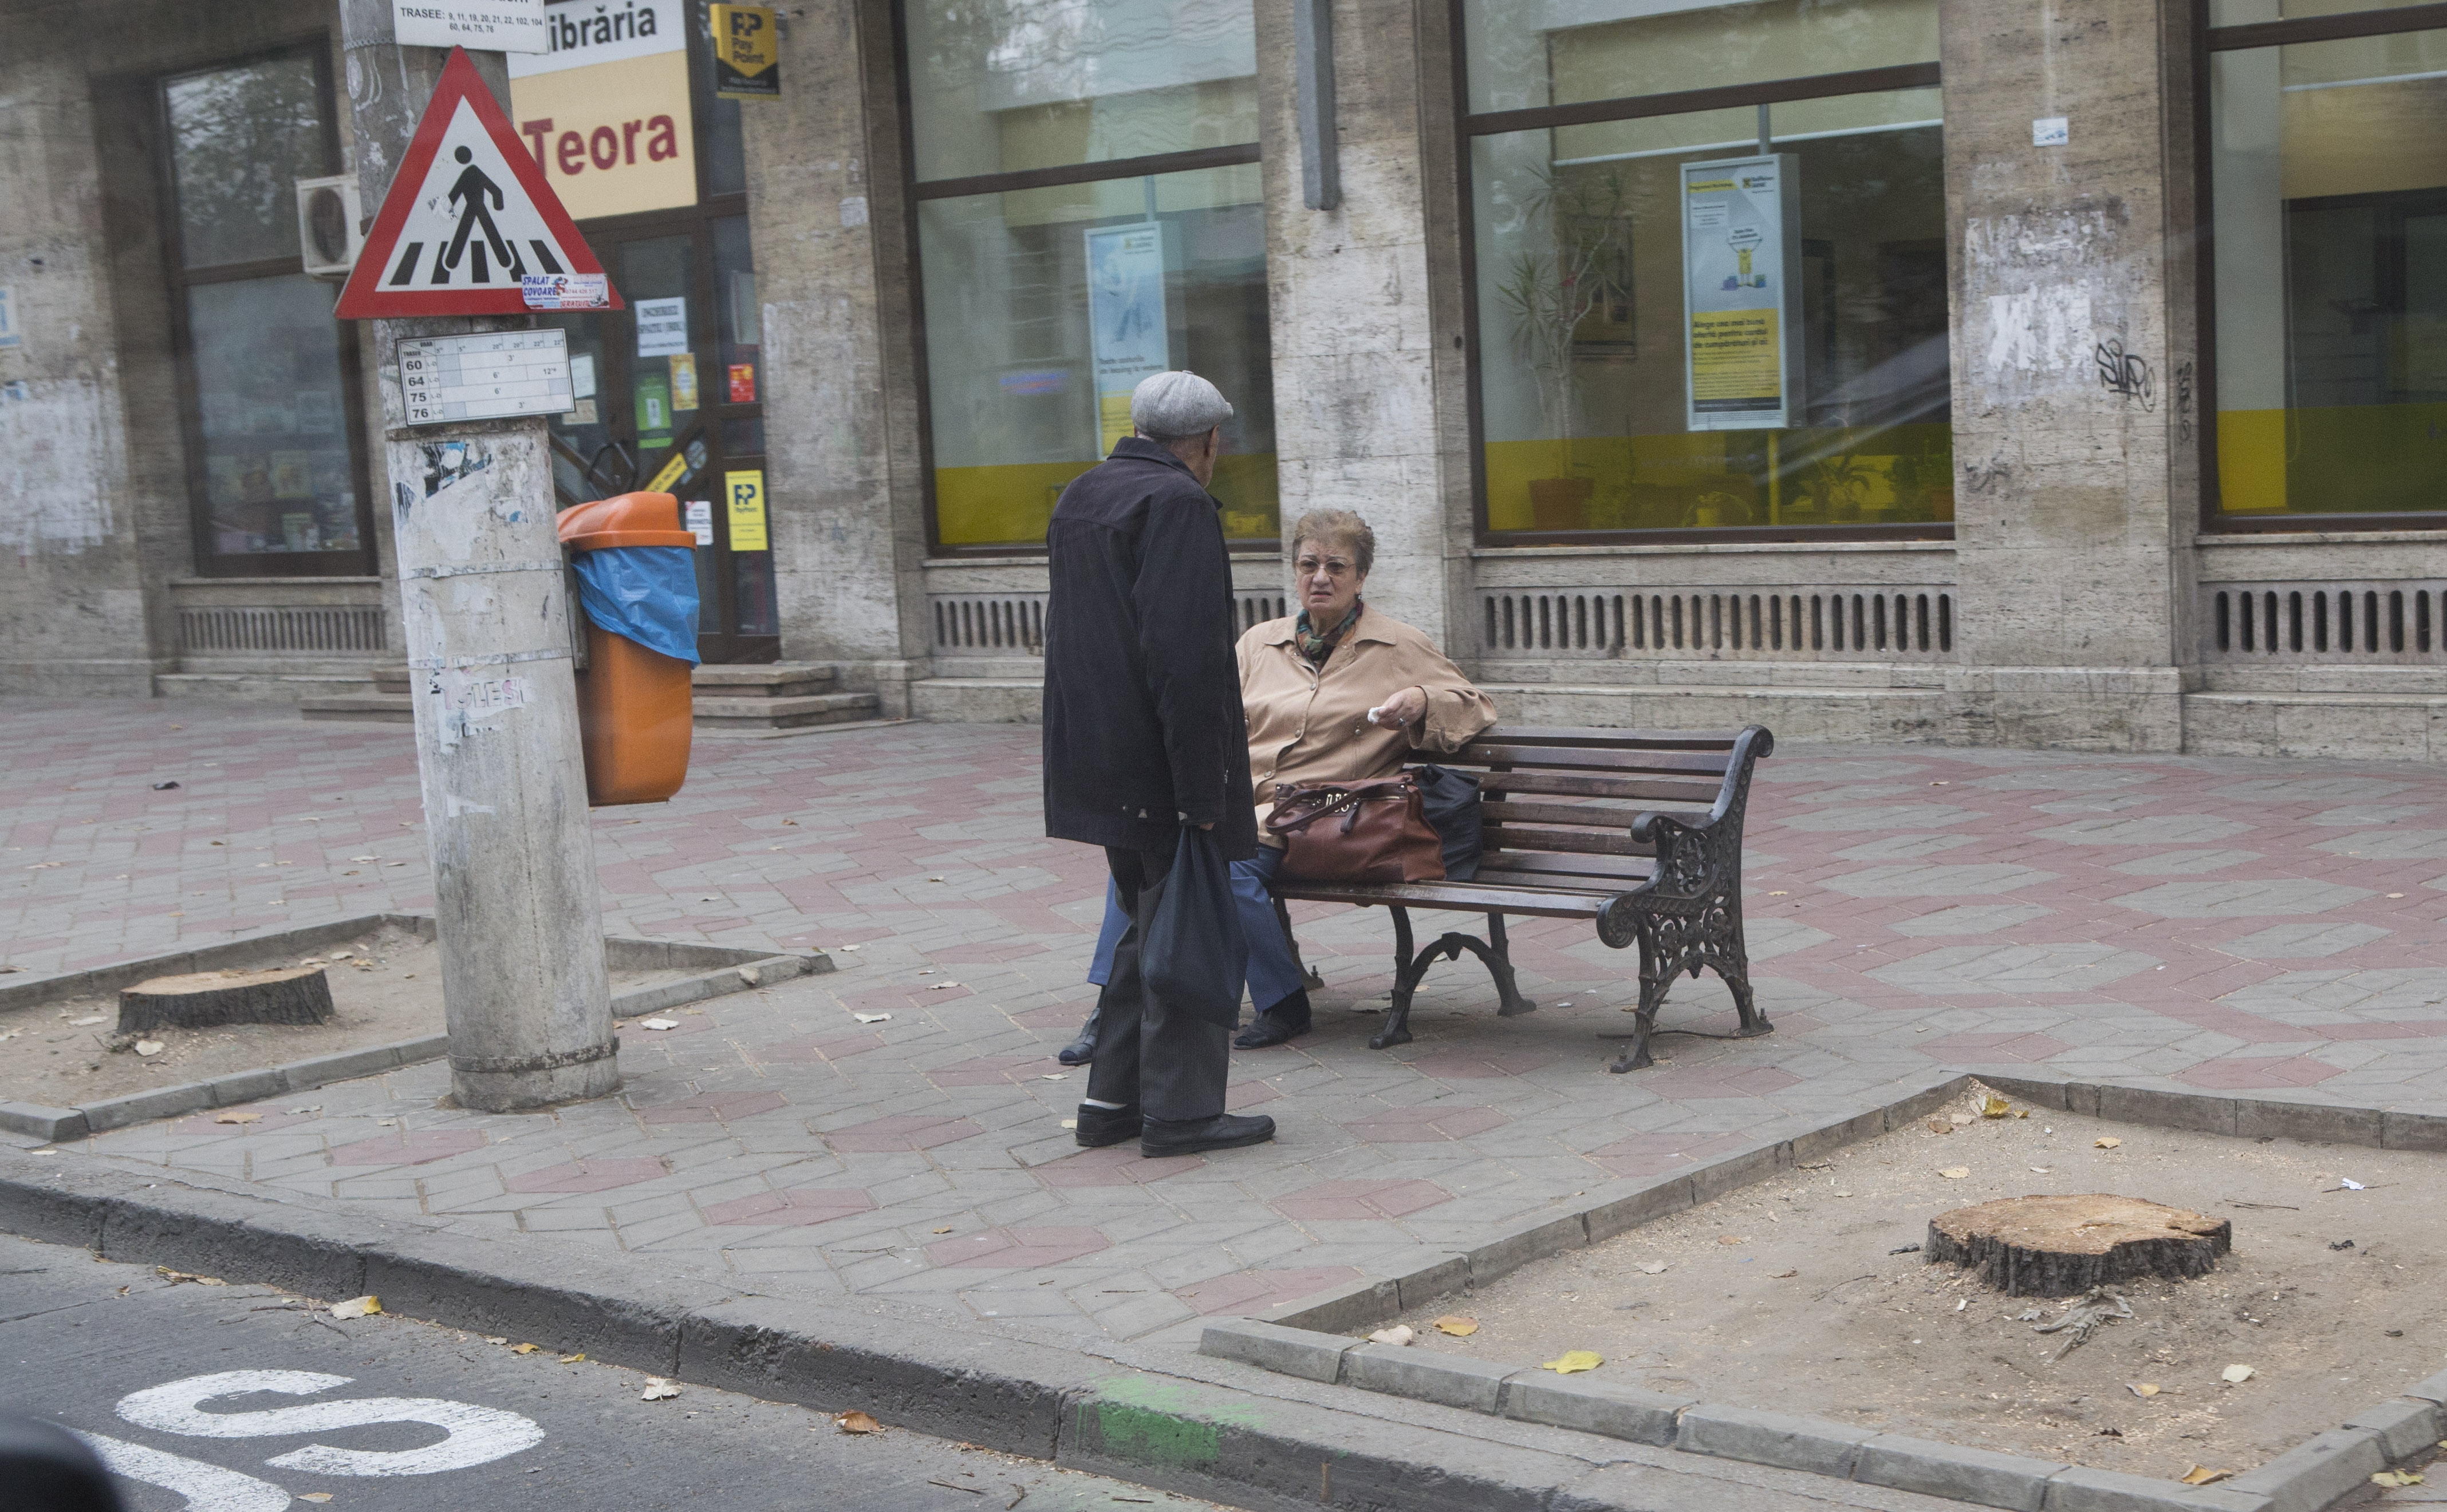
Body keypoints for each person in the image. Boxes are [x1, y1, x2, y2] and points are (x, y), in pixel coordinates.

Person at [1062, 507, 1499, 1055]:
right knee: (1138, 854)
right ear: (1294, 572)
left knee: (1231, 865)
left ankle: (1282, 1002)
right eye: (1309, 565)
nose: (1321, 577)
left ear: (1361, 577)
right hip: (1237, 800)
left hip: (1322, 813)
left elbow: (1475, 706)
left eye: (1337, 566)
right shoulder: (1259, 643)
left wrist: (1420, 701)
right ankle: (1112, 1007)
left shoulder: (1397, 644)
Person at [1041, 370, 1276, 1158]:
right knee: (1189, 931)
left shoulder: (1083, 494)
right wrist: (1199, 787)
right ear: (1209, 442)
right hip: (1160, 766)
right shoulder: (1175, 504)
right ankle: (1181, 1111)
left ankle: (1111, 1100)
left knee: (1148, 929)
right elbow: (1185, 659)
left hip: (1098, 759)